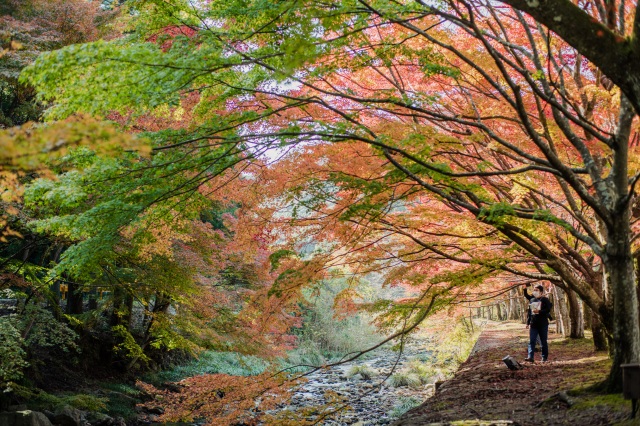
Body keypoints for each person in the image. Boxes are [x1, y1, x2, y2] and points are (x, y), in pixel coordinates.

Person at [523, 284, 552, 363]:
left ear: (541, 292)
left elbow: (548, 310)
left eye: (536, 290)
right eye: (534, 290)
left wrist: (539, 311)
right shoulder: (532, 300)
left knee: (543, 341)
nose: (535, 291)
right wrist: (527, 323)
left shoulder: (545, 300)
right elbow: (529, 313)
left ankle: (544, 357)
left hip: (543, 324)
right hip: (533, 323)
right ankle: (530, 357)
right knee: (532, 340)